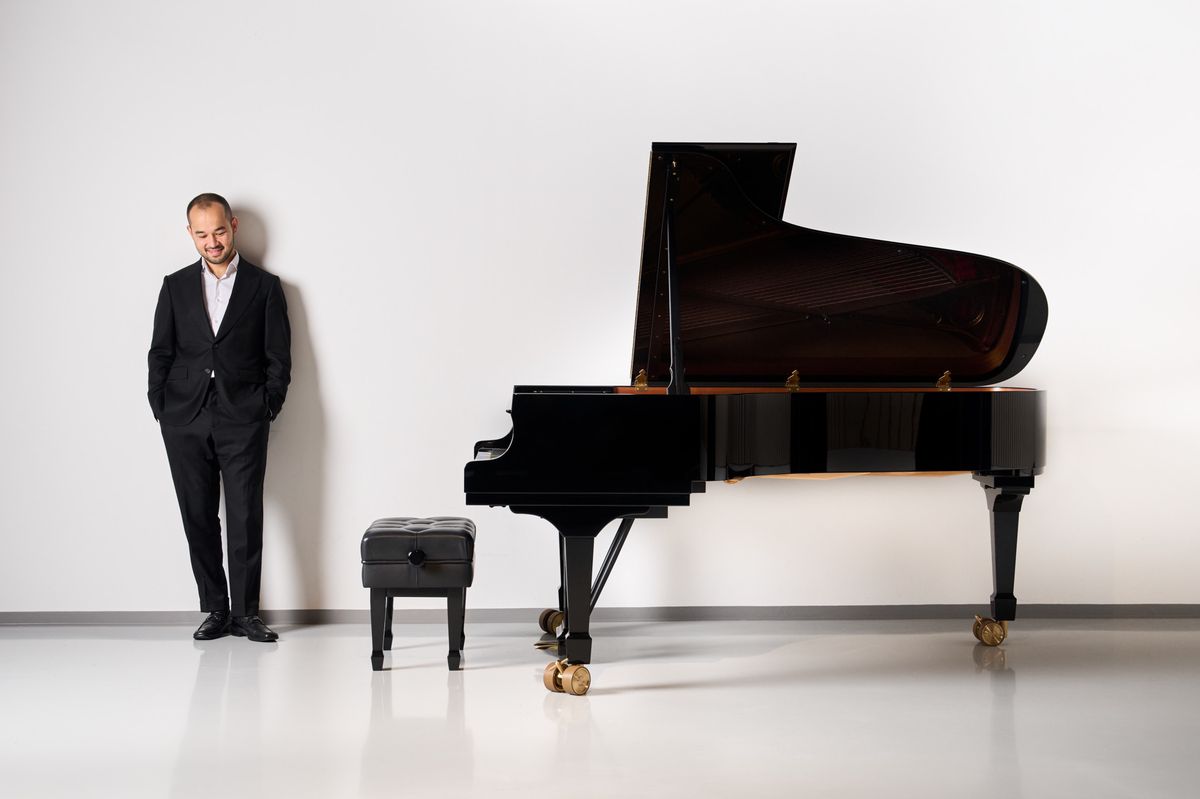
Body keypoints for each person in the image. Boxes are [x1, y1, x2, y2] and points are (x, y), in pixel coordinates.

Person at [148, 193, 291, 642]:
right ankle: (215, 609)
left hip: (243, 416)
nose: (212, 242)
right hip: (184, 417)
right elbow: (161, 351)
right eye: (202, 234)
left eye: (219, 231)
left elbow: (278, 359)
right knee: (198, 515)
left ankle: (247, 614)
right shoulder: (174, 286)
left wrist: (266, 406)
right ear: (190, 233)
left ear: (233, 226)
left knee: (246, 514)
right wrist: (162, 407)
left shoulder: (265, 287)